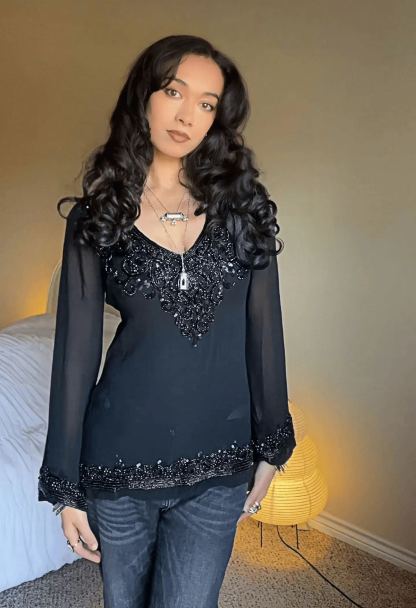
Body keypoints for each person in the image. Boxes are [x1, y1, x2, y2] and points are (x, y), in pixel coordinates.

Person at [38, 34, 296, 608]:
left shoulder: (244, 209)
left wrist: (272, 445)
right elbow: (75, 357)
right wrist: (64, 486)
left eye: (206, 103)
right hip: (117, 463)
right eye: (174, 92)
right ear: (144, 97)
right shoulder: (98, 216)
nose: (187, 115)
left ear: (218, 118)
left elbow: (264, 336)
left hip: (220, 462)